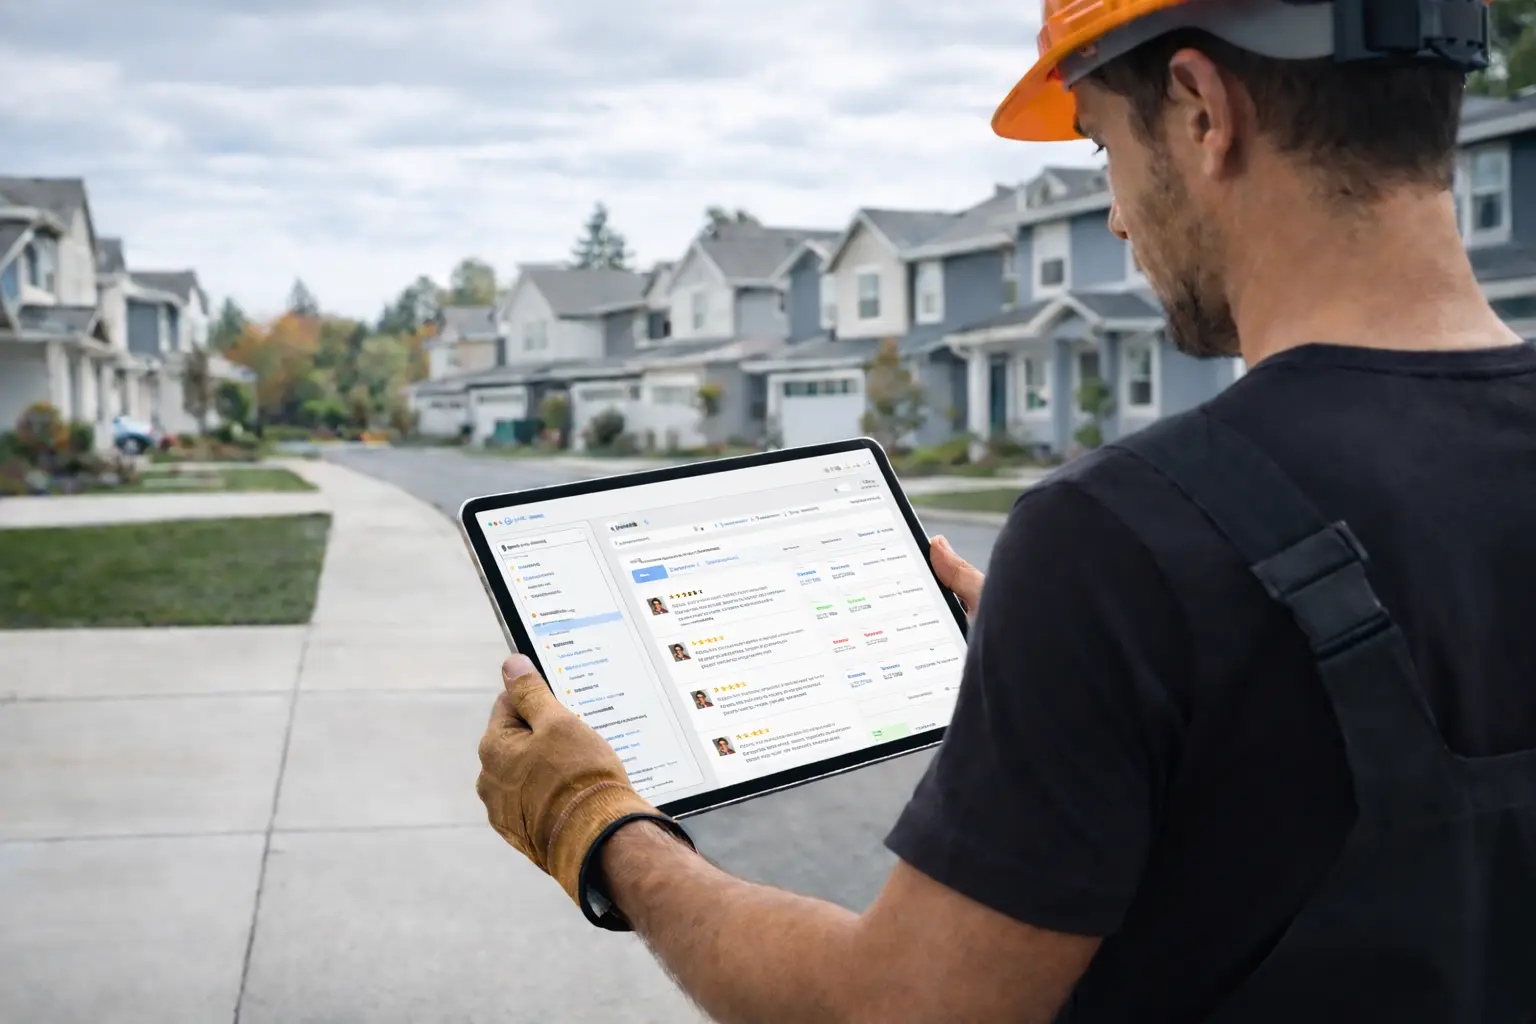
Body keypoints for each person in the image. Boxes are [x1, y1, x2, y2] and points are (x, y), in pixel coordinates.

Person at [474, 0, 1536, 1019]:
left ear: (1202, 109)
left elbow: (894, 1013)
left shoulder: (1121, 539)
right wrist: (1086, 683)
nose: (1116, 211)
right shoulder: (1124, 576)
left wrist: (599, 825)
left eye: (1102, 146)